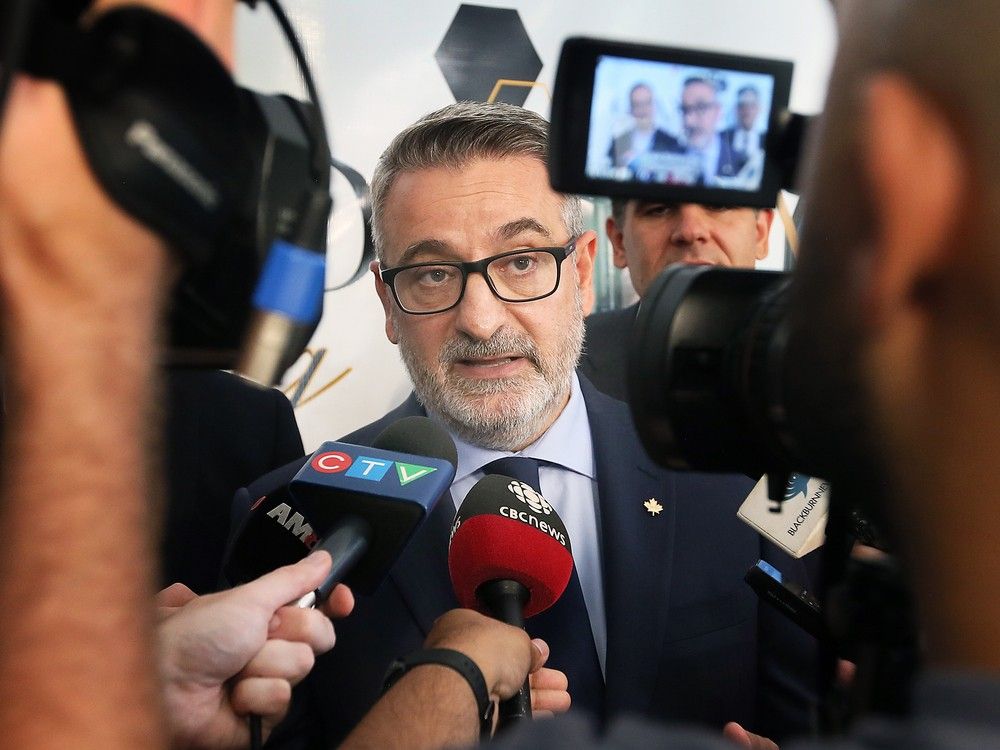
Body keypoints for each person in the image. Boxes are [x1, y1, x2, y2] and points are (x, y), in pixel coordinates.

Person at [236, 100, 818, 748]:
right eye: (432, 274)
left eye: (520, 262)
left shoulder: (749, 481)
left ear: (582, 271)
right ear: (387, 302)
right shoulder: (287, 521)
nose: (482, 321)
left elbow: (814, 719)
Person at [580, 199, 772, 400]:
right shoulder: (569, 360)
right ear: (619, 242)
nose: (690, 231)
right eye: (659, 209)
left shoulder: (805, 356)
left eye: (718, 204)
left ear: (761, 232)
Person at [679, 76, 742, 184]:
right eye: (685, 109)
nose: (688, 120)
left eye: (701, 107)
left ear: (718, 111)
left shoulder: (740, 163)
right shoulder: (664, 158)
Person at [607, 83, 682, 168]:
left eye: (647, 103)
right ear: (630, 109)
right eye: (637, 105)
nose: (643, 110)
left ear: (654, 105)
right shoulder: (619, 141)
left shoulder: (671, 143)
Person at [719, 86, 765, 177]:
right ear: (735, 109)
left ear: (759, 109)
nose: (747, 111)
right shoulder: (720, 137)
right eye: (742, 105)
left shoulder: (768, 140)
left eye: (752, 105)